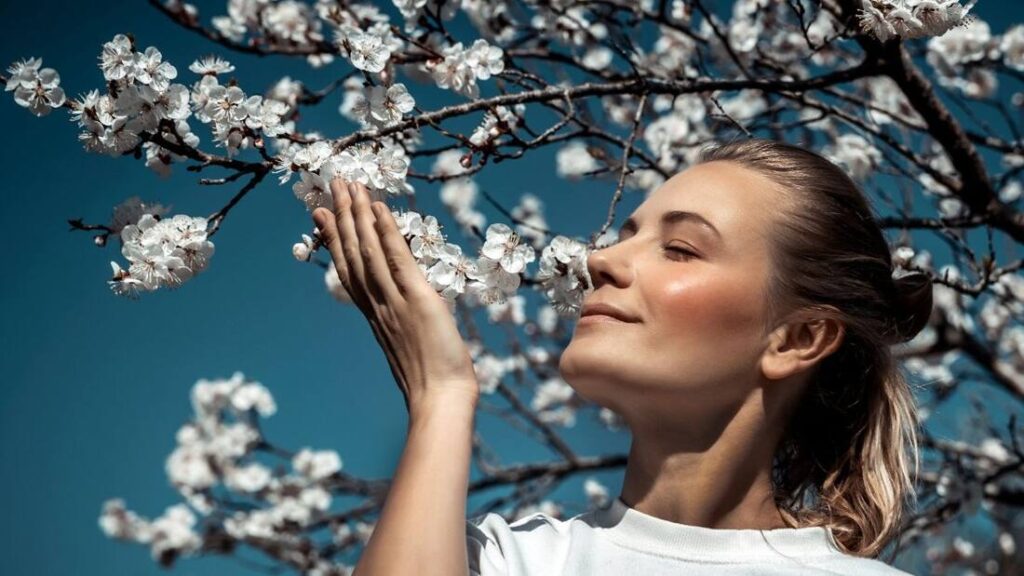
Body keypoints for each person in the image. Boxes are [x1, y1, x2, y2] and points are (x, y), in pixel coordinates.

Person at [311, 137, 933, 576]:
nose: (599, 259)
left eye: (681, 249)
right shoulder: (507, 561)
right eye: (626, 234)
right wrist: (441, 396)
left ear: (798, 339)